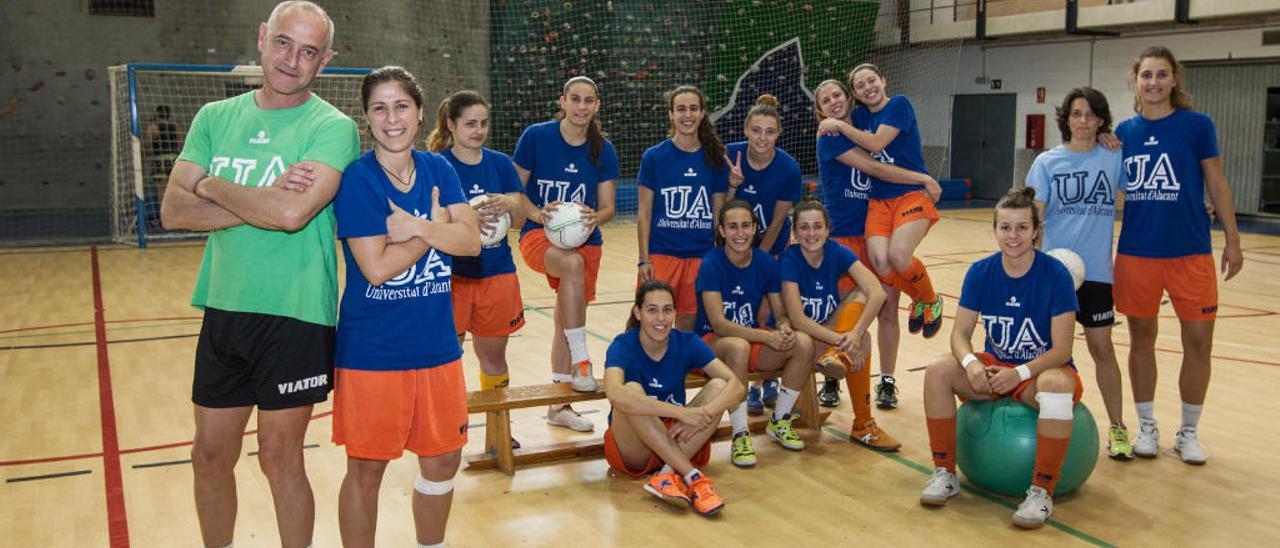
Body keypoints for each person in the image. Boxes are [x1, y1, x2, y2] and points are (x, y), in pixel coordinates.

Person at [158, 2, 359, 546]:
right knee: (209, 456)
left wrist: (211, 184)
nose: (292, 60)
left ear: (326, 60)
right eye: (284, 43)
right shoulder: (214, 118)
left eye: (309, 51)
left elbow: (292, 216)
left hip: (295, 315)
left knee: (279, 458)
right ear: (263, 37)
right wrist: (262, 200)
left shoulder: (333, 128)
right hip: (224, 306)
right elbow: (172, 212)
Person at [331, 66, 480, 548]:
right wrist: (433, 231)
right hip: (374, 351)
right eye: (379, 107)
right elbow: (375, 268)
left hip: (437, 347)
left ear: (418, 113)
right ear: (367, 118)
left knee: (442, 460)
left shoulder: (439, 168)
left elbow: (472, 242)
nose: (390, 117)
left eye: (400, 106)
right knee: (367, 469)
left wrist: (416, 229)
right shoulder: (358, 179)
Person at [918, 187, 1082, 529]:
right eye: (1005, 227)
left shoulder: (1055, 275)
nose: (1013, 236)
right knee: (937, 371)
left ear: (1036, 230)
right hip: (995, 370)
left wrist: (1021, 373)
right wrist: (970, 363)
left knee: (1054, 385)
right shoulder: (980, 272)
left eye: (1022, 227)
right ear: (994, 230)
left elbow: (1062, 350)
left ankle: (1041, 491)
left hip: (1040, 372)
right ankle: (944, 473)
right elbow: (959, 335)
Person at [1114, 46, 1243, 464]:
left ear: (1174, 81)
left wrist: (1233, 238)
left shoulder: (1197, 125)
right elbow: (1111, 192)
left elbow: (1217, 184)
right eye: (1146, 74)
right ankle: (1146, 426)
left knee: (1199, 342)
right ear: (1135, 80)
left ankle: (1188, 432)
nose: (1153, 82)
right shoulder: (1122, 133)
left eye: (1161, 74)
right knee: (1141, 339)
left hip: (1190, 251)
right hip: (1138, 251)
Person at [812, 78, 941, 411]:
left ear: (849, 98)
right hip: (842, 236)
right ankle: (830, 378)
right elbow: (872, 168)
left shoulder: (871, 128)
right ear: (821, 111)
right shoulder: (830, 136)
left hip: (874, 231)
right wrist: (924, 178)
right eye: (826, 100)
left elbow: (884, 155)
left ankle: (886, 381)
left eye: (837, 95)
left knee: (886, 311)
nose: (834, 102)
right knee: (840, 313)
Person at [1025, 87, 1132, 459]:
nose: (1083, 120)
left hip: (1098, 273)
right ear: (1065, 119)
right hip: (1056, 273)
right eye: (1076, 113)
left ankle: (1118, 428)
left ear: (1101, 120)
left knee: (1103, 349)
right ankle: (1033, 417)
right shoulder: (1047, 162)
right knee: (1045, 350)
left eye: (1090, 114)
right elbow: (1033, 217)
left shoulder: (1114, 156)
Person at [513, 76, 619, 433]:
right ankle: (583, 360)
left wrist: (593, 217)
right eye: (575, 99)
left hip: (586, 239)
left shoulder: (603, 148)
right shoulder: (536, 137)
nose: (582, 106)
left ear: (597, 106)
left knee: (567, 316)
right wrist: (537, 213)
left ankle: (559, 404)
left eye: (589, 100)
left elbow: (607, 208)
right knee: (570, 265)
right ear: (563, 101)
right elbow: (515, 191)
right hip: (539, 235)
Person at [428, 90, 527, 448]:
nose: (479, 130)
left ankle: (498, 434)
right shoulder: (436, 164)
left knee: (493, 357)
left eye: (484, 123)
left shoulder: (500, 163)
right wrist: (465, 214)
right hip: (450, 276)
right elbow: (430, 222)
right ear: (451, 125)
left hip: (497, 273)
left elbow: (517, 223)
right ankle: (446, 430)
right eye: (470, 123)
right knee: (446, 357)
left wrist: (509, 203)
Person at [604, 280, 743, 516]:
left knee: (720, 385)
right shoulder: (623, 344)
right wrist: (681, 413)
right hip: (635, 447)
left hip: (676, 437)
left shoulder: (686, 341)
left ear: (675, 313)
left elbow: (737, 387)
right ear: (638, 313)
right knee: (632, 391)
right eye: (652, 310)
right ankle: (693, 477)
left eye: (667, 310)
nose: (661, 318)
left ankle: (665, 476)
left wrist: (704, 414)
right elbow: (615, 394)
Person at [696, 199, 815, 467]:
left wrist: (784, 327)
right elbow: (719, 324)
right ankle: (740, 433)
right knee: (738, 346)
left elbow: (780, 312)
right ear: (722, 231)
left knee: (803, 343)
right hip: (711, 346)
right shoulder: (711, 262)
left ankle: (780, 420)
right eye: (733, 227)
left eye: (746, 226)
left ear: (754, 228)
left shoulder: (765, 262)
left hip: (749, 341)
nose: (740, 233)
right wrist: (765, 336)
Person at [779, 197, 901, 451]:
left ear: (827, 229)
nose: (811, 233)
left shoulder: (836, 251)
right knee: (858, 340)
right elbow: (799, 319)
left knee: (863, 301)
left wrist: (854, 334)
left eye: (817, 226)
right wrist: (841, 341)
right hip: (799, 343)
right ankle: (863, 423)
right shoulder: (790, 259)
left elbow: (877, 292)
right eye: (804, 227)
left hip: (830, 339)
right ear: (794, 232)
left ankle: (863, 425)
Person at [722, 94, 807, 413]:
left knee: (772, 311)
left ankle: (770, 382)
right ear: (745, 130)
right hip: (734, 247)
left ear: (778, 133)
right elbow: (724, 207)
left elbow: (778, 219)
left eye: (769, 131)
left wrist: (759, 261)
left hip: (770, 248)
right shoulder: (732, 155)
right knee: (741, 313)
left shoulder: (787, 166)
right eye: (756, 130)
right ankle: (747, 382)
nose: (762, 137)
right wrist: (733, 184)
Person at [636, 85, 728, 333]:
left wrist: (719, 258)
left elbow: (720, 214)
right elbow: (644, 213)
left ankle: (679, 373)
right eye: (681, 109)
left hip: (700, 255)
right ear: (671, 114)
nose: (687, 115)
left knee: (687, 325)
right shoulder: (654, 157)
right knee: (649, 323)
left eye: (693, 108)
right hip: (662, 254)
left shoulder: (715, 158)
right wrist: (644, 259)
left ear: (702, 113)